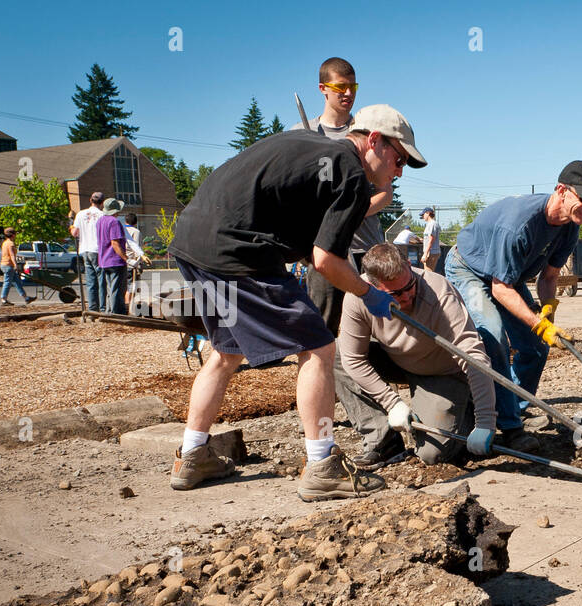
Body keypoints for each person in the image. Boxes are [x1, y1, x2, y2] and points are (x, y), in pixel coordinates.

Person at [166, 103, 417, 501]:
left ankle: (193, 456)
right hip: (238, 250)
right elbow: (325, 261)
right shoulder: (350, 172)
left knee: (225, 353)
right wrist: (369, 294)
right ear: (373, 140)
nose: (399, 170)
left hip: (192, 240)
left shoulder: (310, 147)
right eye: (399, 157)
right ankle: (322, 465)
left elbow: (305, 242)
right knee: (319, 347)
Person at [445, 160, 582, 451]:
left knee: (535, 348)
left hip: (508, 275)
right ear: (561, 191)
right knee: (493, 338)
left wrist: (548, 314)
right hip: (470, 268)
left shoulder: (569, 226)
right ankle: (510, 428)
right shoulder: (519, 225)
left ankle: (512, 408)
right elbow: (499, 288)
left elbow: (550, 276)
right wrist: (537, 324)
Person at [335, 243, 496, 467]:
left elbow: (473, 355)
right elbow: (353, 358)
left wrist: (485, 422)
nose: (407, 296)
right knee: (336, 352)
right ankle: (383, 441)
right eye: (395, 294)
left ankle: (464, 409)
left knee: (432, 454)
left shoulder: (438, 290)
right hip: (396, 361)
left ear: (409, 265)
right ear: (372, 285)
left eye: (409, 286)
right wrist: (392, 403)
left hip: (442, 373)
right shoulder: (358, 297)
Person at [293, 57, 416, 334]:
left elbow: (385, 194)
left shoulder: (366, 132)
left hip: (365, 245)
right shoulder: (303, 134)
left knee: (375, 321)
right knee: (325, 325)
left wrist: (348, 212)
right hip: (324, 248)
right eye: (340, 87)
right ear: (323, 88)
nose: (348, 93)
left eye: (353, 87)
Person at [70, 191, 106, 310]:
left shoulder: (80, 214)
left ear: (90, 200)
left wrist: (71, 224)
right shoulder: (102, 215)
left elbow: (75, 233)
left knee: (90, 281)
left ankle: (92, 309)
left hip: (85, 249)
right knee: (101, 280)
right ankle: (102, 308)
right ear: (102, 203)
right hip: (98, 250)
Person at [95, 198, 128, 314]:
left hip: (103, 260)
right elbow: (115, 243)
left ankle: (109, 310)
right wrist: (125, 257)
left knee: (110, 288)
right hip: (115, 260)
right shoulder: (114, 222)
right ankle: (116, 312)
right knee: (117, 289)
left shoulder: (100, 221)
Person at [122, 212, 149, 308]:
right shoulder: (135, 232)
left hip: (123, 261)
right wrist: (139, 263)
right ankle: (129, 306)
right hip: (132, 263)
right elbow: (136, 247)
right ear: (135, 222)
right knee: (132, 287)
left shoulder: (121, 230)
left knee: (126, 286)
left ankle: (127, 305)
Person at [0, 228, 29, 307]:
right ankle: (3, 299)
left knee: (17, 282)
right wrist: (16, 265)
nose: (16, 235)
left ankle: (26, 298)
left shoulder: (5, 243)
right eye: (15, 234)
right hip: (8, 265)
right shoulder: (10, 244)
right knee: (7, 282)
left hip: (5, 264)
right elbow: (12, 255)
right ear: (13, 235)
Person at [419, 207, 441, 271]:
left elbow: (431, 239)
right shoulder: (429, 224)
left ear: (428, 213)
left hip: (432, 252)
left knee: (428, 273)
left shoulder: (432, 224)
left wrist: (425, 253)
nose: (423, 217)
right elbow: (429, 238)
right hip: (429, 252)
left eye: (423, 214)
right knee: (427, 272)